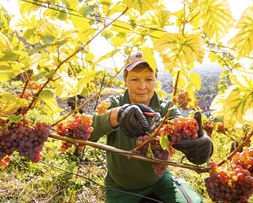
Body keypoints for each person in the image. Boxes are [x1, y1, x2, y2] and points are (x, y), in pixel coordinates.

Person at [90, 51, 213, 203]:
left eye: (148, 79)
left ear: (156, 79)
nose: (142, 86)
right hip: (120, 186)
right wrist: (117, 115)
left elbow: (185, 131)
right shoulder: (114, 104)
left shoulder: (166, 109)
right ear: (125, 80)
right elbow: (88, 131)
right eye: (135, 79)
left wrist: (204, 146)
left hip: (160, 182)